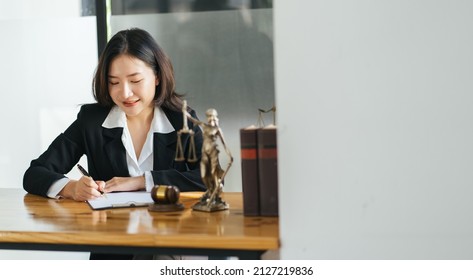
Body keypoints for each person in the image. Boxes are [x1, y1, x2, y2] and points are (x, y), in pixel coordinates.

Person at [23, 28, 205, 259]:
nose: (125, 93)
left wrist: (140, 182)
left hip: (175, 247)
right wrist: (71, 188)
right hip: (114, 252)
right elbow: (35, 173)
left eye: (135, 80)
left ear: (157, 76)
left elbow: (208, 179)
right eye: (114, 82)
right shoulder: (92, 121)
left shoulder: (182, 121)